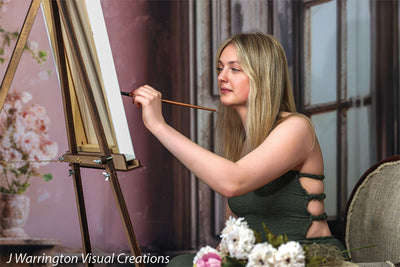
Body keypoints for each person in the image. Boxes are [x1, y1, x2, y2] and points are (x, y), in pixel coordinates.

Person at [131, 32, 347, 266]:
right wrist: (208, 261)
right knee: (182, 263)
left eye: (235, 69)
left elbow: (233, 181)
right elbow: (231, 235)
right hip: (257, 258)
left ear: (262, 76)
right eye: (220, 68)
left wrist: (158, 125)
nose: (221, 77)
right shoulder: (244, 144)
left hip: (304, 257)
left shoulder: (296, 128)